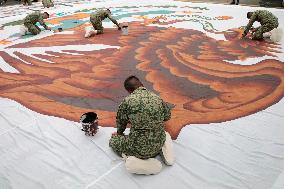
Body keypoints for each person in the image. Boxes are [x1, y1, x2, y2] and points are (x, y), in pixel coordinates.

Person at [109, 76, 172, 160]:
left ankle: (135, 159)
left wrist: (119, 134)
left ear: (129, 91)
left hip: (139, 149)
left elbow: (121, 122)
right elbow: (167, 116)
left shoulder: (127, 101)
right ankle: (160, 153)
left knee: (113, 141)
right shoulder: (157, 98)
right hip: (159, 143)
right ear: (142, 85)